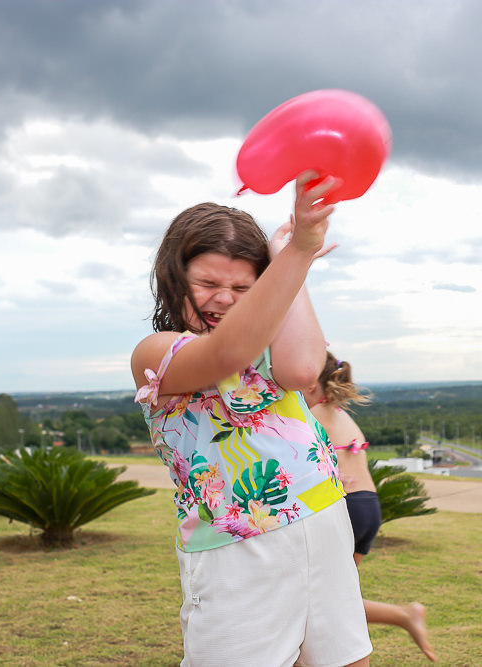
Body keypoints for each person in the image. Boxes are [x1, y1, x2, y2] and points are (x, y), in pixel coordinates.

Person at [131, 172, 372, 667]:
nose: (225, 298)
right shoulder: (157, 352)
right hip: (237, 545)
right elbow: (226, 352)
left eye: (244, 287)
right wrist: (297, 253)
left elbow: (302, 370)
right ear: (172, 279)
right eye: (207, 284)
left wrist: (289, 260)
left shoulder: (267, 347)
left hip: (324, 517)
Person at [304, 353, 436, 662]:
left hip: (346, 508)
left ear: (309, 382)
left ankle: (403, 615)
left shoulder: (312, 415)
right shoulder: (340, 414)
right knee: (333, 595)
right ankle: (401, 617)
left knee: (318, 599)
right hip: (367, 507)